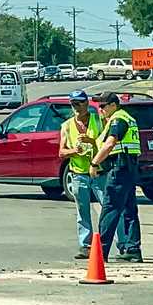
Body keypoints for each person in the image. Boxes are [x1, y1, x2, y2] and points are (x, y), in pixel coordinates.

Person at [90, 92, 143, 262]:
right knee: (129, 209)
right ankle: (132, 249)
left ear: (113, 105)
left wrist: (94, 163)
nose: (101, 109)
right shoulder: (127, 118)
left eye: (103, 106)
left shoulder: (118, 119)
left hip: (120, 168)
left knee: (110, 208)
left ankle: (100, 251)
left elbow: (111, 142)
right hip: (129, 167)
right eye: (99, 106)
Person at [58, 90, 105, 259]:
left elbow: (108, 143)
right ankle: (86, 245)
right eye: (73, 104)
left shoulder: (98, 120)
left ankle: (114, 244)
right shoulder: (67, 126)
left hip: (98, 172)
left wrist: (92, 142)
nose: (76, 107)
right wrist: (74, 150)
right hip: (78, 173)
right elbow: (61, 152)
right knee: (82, 210)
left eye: (79, 103)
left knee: (108, 207)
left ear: (86, 103)